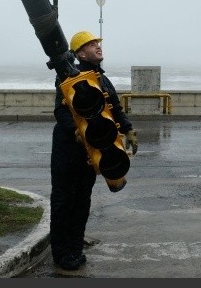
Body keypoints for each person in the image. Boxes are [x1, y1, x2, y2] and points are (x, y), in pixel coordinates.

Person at [50, 30, 138, 272]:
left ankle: (75, 250)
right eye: (91, 44)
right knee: (63, 200)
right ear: (80, 53)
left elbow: (115, 109)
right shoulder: (69, 77)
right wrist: (75, 132)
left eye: (98, 42)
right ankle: (61, 254)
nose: (98, 46)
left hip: (93, 151)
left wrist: (129, 130)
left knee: (82, 201)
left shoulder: (102, 80)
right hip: (68, 149)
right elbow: (61, 111)